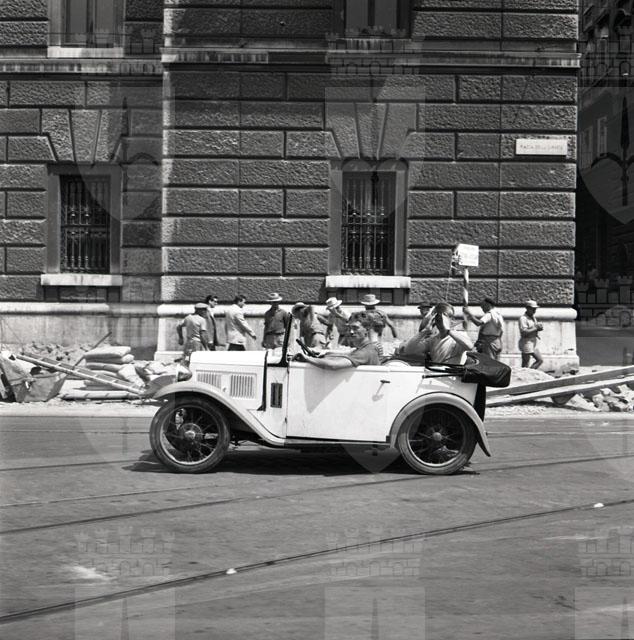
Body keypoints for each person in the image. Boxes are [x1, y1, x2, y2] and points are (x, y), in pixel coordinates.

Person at [398, 302, 473, 365]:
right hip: (436, 375)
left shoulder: (460, 336)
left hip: (453, 375)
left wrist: (448, 330)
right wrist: (425, 331)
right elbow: (408, 350)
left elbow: (469, 346)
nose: (440, 322)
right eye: (437, 319)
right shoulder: (433, 340)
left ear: (452, 319)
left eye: (443, 319)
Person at [299, 312, 381, 370]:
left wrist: (307, 359)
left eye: (355, 328)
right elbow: (347, 354)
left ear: (367, 329)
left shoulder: (364, 352)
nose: (351, 332)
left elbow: (334, 366)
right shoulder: (366, 348)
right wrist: (323, 353)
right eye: (349, 328)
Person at [518, 300, 544, 369]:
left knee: (540, 360)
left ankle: (530, 372)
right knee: (525, 364)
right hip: (526, 342)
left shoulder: (533, 317)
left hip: (533, 341)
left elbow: (533, 328)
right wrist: (536, 328)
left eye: (535, 309)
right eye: (533, 309)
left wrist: (538, 328)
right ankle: (525, 374)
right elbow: (524, 332)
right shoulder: (523, 318)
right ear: (527, 308)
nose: (534, 311)